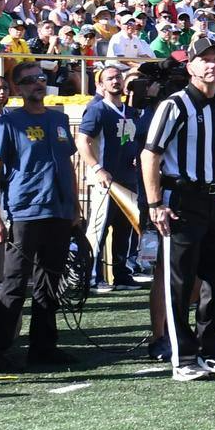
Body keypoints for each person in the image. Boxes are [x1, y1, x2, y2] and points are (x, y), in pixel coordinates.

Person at [141, 42, 215, 381]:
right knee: (180, 282)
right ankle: (183, 359)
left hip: (211, 198)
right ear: (191, 67)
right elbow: (150, 155)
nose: (212, 65)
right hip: (180, 199)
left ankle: (210, 352)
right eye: (204, 60)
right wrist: (156, 204)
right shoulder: (174, 105)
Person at [0, 61, 83, 367]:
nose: (38, 83)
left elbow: (69, 165)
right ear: (18, 88)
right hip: (26, 210)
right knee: (14, 283)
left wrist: (75, 206)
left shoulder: (59, 119)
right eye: (29, 80)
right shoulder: (10, 123)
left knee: (50, 283)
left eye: (40, 78)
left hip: (59, 211)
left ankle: (43, 347)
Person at [77, 63, 148, 293]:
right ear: (100, 84)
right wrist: (97, 168)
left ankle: (122, 275)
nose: (115, 81)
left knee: (125, 229)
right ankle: (91, 277)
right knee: (99, 228)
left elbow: (133, 141)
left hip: (128, 178)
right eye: (109, 78)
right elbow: (82, 141)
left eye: (118, 77)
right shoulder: (97, 110)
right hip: (106, 181)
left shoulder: (131, 111)